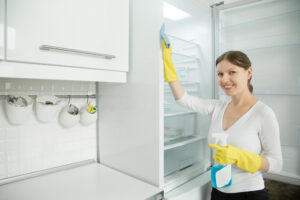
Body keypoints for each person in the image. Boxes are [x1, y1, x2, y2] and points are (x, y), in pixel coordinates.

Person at [161, 38, 283, 200]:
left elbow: (277, 163)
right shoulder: (218, 107)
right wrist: (167, 61)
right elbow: (184, 99)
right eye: (220, 74)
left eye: (232, 72)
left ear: (248, 73)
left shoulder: (263, 113)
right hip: (218, 192)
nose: (224, 79)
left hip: (249, 194)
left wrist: (241, 157)